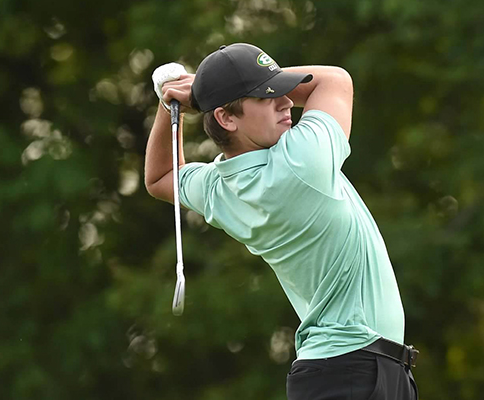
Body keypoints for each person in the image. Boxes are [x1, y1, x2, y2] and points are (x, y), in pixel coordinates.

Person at [144, 43, 419, 400]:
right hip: (352, 371)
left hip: (352, 370)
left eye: (282, 90)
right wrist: (199, 91)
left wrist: (171, 106)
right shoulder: (300, 161)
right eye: (265, 94)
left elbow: (160, 176)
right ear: (227, 118)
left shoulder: (221, 187)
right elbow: (335, 80)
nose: (287, 100)